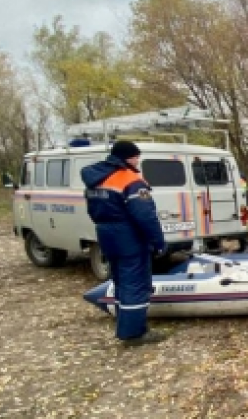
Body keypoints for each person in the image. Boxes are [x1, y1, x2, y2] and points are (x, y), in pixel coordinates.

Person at [81, 141, 167, 346]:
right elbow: (145, 215)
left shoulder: (96, 178)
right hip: (128, 235)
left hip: (105, 233)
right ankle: (134, 334)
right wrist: (159, 241)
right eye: (137, 156)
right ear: (128, 157)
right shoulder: (130, 179)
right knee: (135, 283)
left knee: (120, 281)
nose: (138, 160)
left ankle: (125, 324)